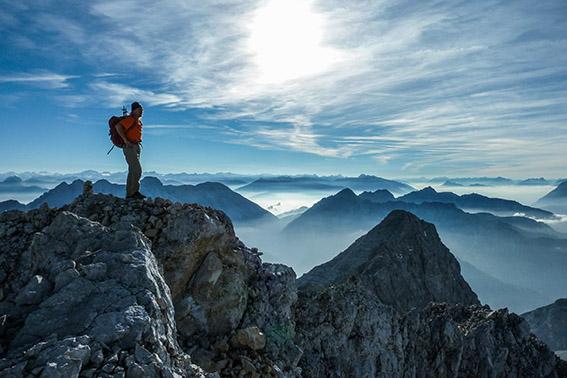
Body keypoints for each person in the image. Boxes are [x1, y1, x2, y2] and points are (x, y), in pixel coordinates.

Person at [116, 101, 146, 200]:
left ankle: (130, 194)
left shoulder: (138, 121)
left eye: (142, 110)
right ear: (134, 111)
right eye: (139, 110)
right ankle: (134, 193)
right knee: (137, 169)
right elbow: (118, 126)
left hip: (136, 146)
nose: (141, 112)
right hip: (130, 146)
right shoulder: (130, 119)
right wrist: (125, 140)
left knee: (132, 170)